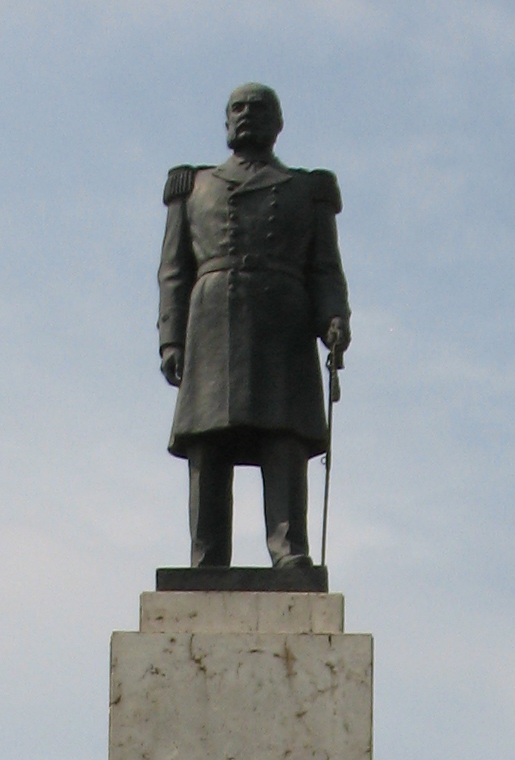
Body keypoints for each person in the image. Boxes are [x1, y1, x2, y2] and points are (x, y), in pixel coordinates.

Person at [159, 84, 352, 571]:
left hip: (280, 324)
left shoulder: (306, 191)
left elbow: (324, 267)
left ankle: (288, 549)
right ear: (225, 122)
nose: (247, 116)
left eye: (259, 109)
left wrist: (334, 317)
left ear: (279, 123)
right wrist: (171, 339)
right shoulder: (193, 186)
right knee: (209, 443)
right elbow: (174, 270)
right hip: (211, 322)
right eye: (238, 109)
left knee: (282, 438)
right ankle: (206, 557)